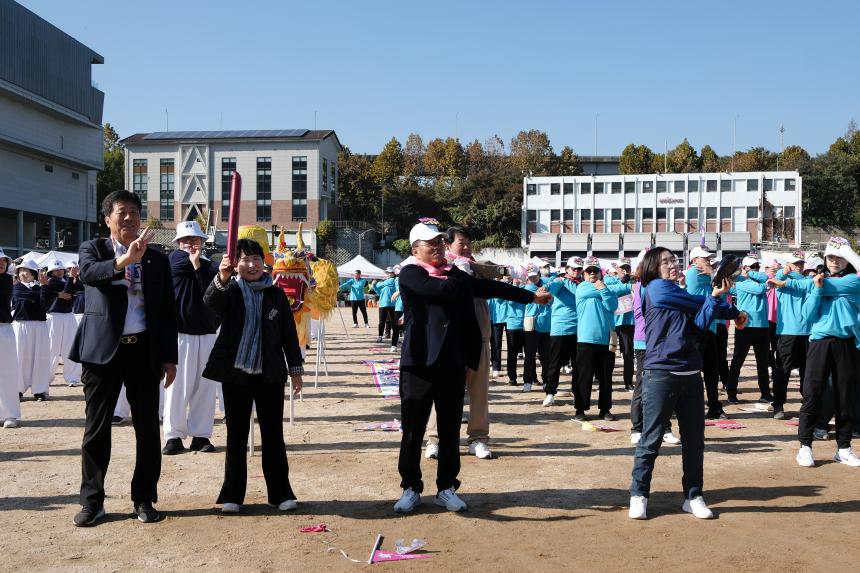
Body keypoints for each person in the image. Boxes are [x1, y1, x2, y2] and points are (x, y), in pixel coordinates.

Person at [393, 220, 550, 514]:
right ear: (416, 250)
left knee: (450, 428)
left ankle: (446, 487)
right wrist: (461, 272)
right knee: (413, 430)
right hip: (419, 364)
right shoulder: (411, 274)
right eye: (432, 244)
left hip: (452, 362)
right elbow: (444, 292)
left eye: (441, 243)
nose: (439, 248)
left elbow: (488, 287)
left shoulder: (455, 274)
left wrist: (531, 296)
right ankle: (411, 487)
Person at [69, 190, 178, 527]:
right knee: (97, 429)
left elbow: (166, 311)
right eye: (121, 212)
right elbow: (89, 274)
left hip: (143, 351)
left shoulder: (157, 259)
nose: (129, 217)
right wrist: (124, 261)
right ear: (107, 219)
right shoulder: (94, 249)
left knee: (146, 428)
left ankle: (143, 497)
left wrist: (168, 357)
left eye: (134, 211)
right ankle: (92, 502)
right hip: (102, 352)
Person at [628, 248, 744, 520]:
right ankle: (639, 493)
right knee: (651, 439)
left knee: (694, 442)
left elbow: (701, 321)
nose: (673, 265)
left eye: (674, 260)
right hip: (660, 373)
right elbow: (698, 304)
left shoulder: (680, 294)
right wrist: (728, 308)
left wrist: (719, 303)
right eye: (666, 261)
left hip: (691, 374)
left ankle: (693, 495)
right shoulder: (656, 289)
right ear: (653, 267)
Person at [202, 238, 305, 513]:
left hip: (270, 374)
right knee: (236, 435)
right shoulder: (232, 290)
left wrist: (295, 370)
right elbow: (211, 303)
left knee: (273, 434)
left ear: (264, 262)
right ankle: (232, 496)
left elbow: (288, 335)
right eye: (245, 260)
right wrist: (222, 277)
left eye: (256, 259)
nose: (251, 265)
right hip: (235, 373)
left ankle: (280, 493)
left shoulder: (276, 294)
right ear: (236, 264)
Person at [771, 237, 860, 468]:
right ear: (824, 259)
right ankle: (805, 446)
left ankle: (844, 448)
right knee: (812, 394)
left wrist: (817, 285)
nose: (835, 262)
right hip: (820, 343)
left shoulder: (853, 281)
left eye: (840, 258)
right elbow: (808, 314)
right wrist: (818, 291)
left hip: (846, 343)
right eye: (830, 257)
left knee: (845, 397)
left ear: (848, 259)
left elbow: (817, 284)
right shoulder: (818, 282)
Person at [426, 226, 504, 460]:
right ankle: (434, 439)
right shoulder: (440, 268)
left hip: (479, 336)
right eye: (462, 243)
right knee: (443, 391)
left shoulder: (474, 266)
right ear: (447, 245)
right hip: (450, 338)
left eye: (469, 243)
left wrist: (473, 267)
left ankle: (478, 439)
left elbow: (496, 274)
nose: (467, 247)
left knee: (479, 392)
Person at [162, 221, 221, 455]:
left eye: (195, 239)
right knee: (177, 387)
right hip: (180, 333)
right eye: (186, 240)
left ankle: (201, 435)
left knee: (205, 388)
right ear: (177, 243)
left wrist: (201, 266)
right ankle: (173, 436)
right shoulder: (173, 260)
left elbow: (216, 284)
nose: (190, 243)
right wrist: (198, 266)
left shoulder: (208, 266)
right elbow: (210, 270)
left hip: (207, 333)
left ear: (203, 242)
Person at [573, 257, 631, 421]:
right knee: (584, 376)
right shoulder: (582, 287)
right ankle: (580, 409)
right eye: (588, 271)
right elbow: (613, 291)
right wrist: (606, 289)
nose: (592, 274)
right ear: (584, 274)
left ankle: (605, 409)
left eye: (595, 271)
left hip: (606, 339)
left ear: (600, 273)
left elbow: (612, 306)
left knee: (606, 377)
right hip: (586, 339)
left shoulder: (605, 289)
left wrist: (604, 289)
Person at [684, 246, 729, 419]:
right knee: (693, 369)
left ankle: (714, 406)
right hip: (695, 328)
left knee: (712, 370)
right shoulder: (693, 273)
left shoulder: (708, 275)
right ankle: (689, 406)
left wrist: (714, 272)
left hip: (709, 327)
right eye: (705, 258)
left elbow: (725, 290)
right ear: (694, 260)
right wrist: (714, 272)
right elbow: (723, 281)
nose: (708, 261)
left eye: (709, 258)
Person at [726, 254, 772, 404]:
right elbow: (761, 288)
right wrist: (746, 273)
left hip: (762, 326)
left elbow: (765, 281)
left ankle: (765, 393)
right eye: (752, 267)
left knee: (763, 363)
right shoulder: (741, 282)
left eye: (757, 267)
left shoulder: (752, 279)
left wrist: (750, 272)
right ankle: (731, 392)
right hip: (745, 326)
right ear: (744, 268)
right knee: (738, 361)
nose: (756, 270)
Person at [769, 251, 810, 419]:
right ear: (788, 264)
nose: (799, 266)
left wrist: (786, 277)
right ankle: (778, 404)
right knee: (782, 370)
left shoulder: (807, 280)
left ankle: (807, 404)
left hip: (808, 332)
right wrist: (783, 274)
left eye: (801, 263)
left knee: (807, 372)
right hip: (787, 332)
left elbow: (809, 283)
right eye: (795, 263)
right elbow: (772, 280)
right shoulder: (780, 280)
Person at [12, 259, 51, 401]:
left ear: (34, 274)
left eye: (26, 271)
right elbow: (24, 297)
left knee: (40, 358)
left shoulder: (42, 288)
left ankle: (39, 390)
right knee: (19, 358)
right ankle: (17, 390)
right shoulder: (17, 287)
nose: (22, 274)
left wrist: (43, 288)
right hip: (21, 326)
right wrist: (40, 293)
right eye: (21, 271)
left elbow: (46, 302)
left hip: (39, 326)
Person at [542, 257, 579, 406]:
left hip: (578, 328)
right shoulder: (560, 281)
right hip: (560, 328)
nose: (576, 271)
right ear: (567, 269)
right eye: (574, 269)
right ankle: (550, 392)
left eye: (579, 269)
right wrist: (546, 285)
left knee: (578, 365)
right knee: (554, 363)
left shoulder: (581, 285)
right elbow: (550, 288)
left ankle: (578, 393)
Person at [43, 258, 79, 387]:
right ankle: (46, 378)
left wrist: (72, 279)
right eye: (55, 270)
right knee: (52, 348)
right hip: (54, 316)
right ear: (51, 272)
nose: (58, 272)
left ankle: (72, 377)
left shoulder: (66, 280)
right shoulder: (51, 282)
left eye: (60, 269)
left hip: (68, 316)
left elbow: (69, 292)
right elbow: (67, 291)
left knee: (70, 347)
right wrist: (71, 279)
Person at [0, 249, 22, 428]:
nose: (2, 263)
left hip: (4, 328)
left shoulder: (7, 280)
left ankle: (9, 414)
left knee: (7, 373)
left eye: (4, 261)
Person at [522, 267, 552, 392]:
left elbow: (552, 285)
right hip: (531, 325)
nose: (533, 278)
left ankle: (546, 381)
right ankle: (527, 381)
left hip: (545, 325)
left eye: (535, 276)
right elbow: (539, 294)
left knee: (545, 356)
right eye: (530, 277)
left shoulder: (547, 285)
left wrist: (547, 287)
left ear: (539, 275)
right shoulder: (528, 288)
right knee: (529, 355)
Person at [503, 279, 526, 386]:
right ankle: (512, 377)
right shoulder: (509, 290)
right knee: (512, 353)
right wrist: (514, 286)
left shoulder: (526, 289)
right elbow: (510, 301)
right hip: (513, 325)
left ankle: (531, 378)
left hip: (526, 324)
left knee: (530, 353)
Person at [65, 261, 85, 386]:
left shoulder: (88, 277)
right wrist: (71, 278)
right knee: (77, 345)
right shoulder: (70, 281)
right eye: (71, 269)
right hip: (76, 315)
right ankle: (74, 376)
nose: (75, 270)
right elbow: (67, 292)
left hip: (90, 315)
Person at [372, 268, 396, 343]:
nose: (388, 274)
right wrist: (374, 286)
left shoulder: (392, 280)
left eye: (390, 273)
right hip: (383, 304)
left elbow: (380, 284)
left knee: (393, 322)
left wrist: (376, 283)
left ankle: (396, 337)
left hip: (392, 304)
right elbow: (379, 292)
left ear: (393, 273)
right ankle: (380, 336)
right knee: (381, 322)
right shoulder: (385, 284)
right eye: (387, 273)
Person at [390, 266, 404, 352]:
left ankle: (407, 346)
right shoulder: (394, 280)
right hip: (398, 307)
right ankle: (394, 345)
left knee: (406, 328)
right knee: (396, 327)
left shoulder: (407, 279)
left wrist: (399, 291)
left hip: (407, 307)